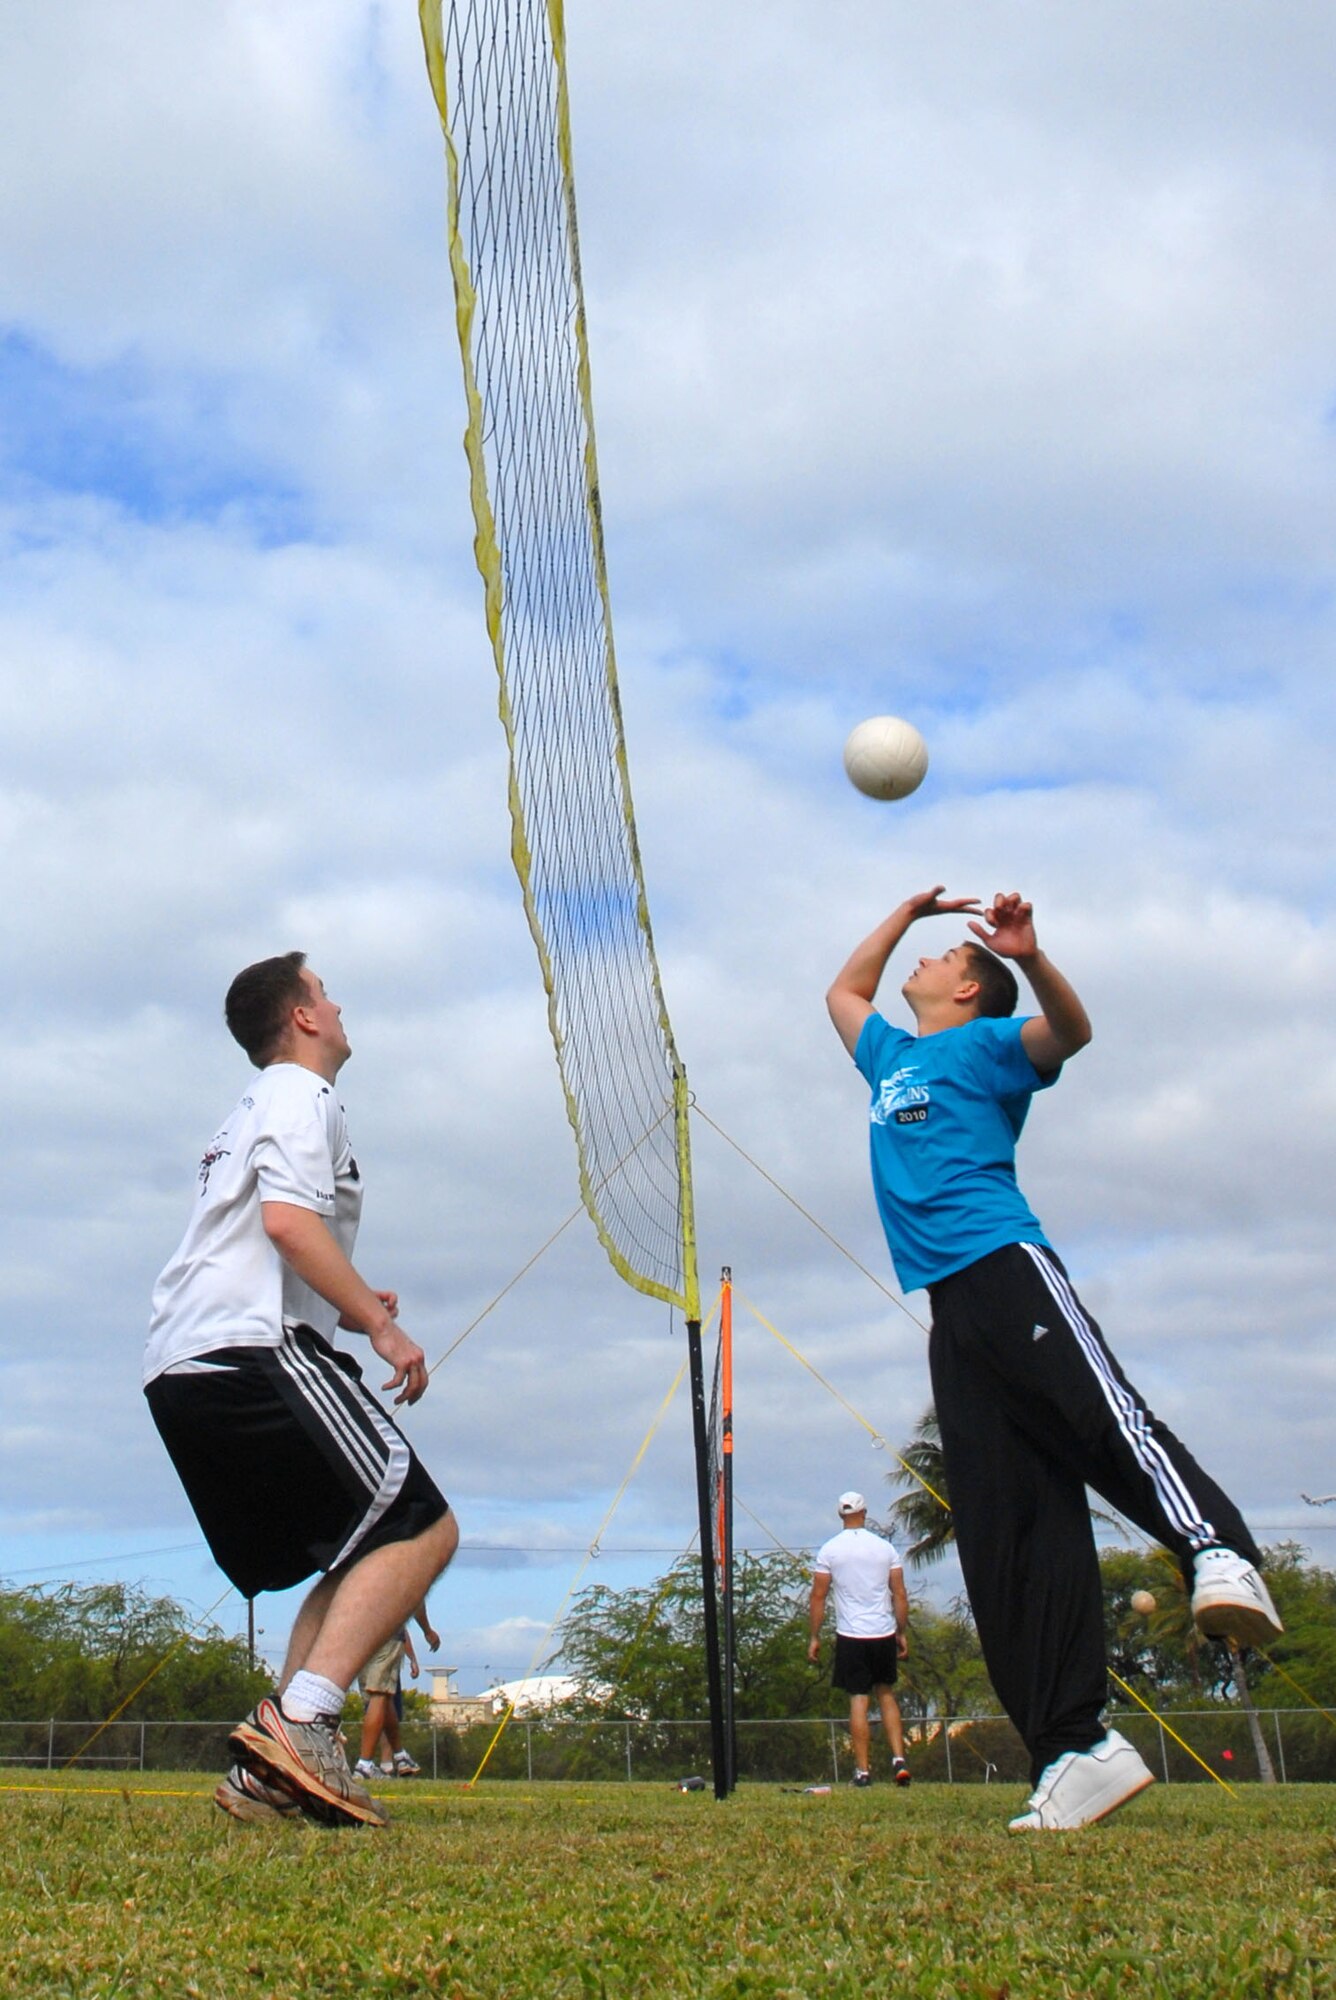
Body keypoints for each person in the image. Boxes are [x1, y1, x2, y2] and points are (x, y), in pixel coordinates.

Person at [827, 887, 1282, 1832]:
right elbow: (843, 990)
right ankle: (1073, 1747)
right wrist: (906, 915)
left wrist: (1028, 957)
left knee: (1103, 1422)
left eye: (944, 957)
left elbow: (1070, 1033)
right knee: (1008, 1530)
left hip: (1006, 1266)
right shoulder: (894, 1054)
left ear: (969, 991)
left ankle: (1219, 1552)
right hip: (952, 1311)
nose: (925, 963)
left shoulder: (990, 1045)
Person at [144, 952, 459, 1827]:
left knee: (356, 1547)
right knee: (422, 1526)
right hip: (243, 1351)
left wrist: (351, 1306)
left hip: (190, 1361)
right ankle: (306, 1720)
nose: (340, 1003)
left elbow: (271, 1235)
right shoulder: (300, 1095)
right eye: (325, 992)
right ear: (304, 1019)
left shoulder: (258, 1110)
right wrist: (385, 1328)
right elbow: (286, 1223)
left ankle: (266, 1777)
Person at [808, 1492, 911, 1788]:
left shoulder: (830, 1550)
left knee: (858, 1699)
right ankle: (899, 1760)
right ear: (864, 1513)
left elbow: (818, 1596)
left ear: (841, 1515)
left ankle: (863, 1771)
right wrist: (901, 1632)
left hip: (851, 1634)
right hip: (883, 1631)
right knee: (886, 1694)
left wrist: (814, 1636)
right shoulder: (884, 1548)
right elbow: (899, 1593)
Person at [355, 1598, 440, 1781]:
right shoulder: (397, 1568)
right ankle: (365, 1765)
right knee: (380, 1695)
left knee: (380, 1700)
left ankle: (400, 1757)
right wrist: (427, 1630)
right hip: (387, 1634)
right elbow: (415, 1597)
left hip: (359, 1636)